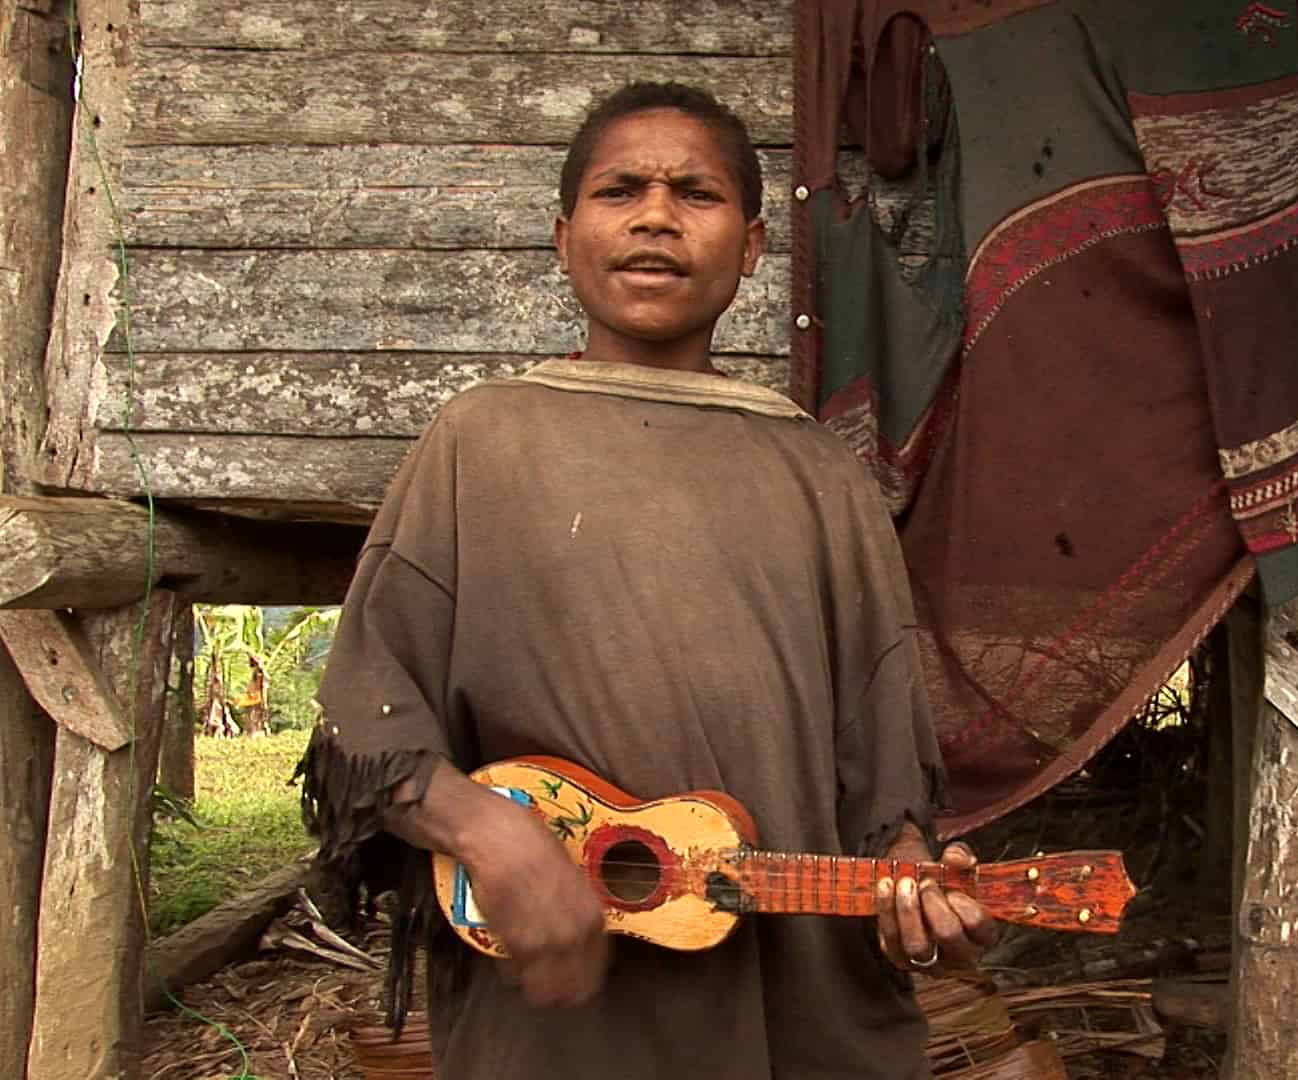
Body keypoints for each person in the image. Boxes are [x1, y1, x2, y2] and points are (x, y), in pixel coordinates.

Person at [298, 81, 995, 1078]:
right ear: (563, 232)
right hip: (559, 1029)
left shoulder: (821, 474)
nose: (657, 216)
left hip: (791, 1016)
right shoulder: (481, 441)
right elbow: (364, 722)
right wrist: (489, 838)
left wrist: (916, 895)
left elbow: (884, 784)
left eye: (696, 194)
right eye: (621, 189)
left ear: (753, 247)